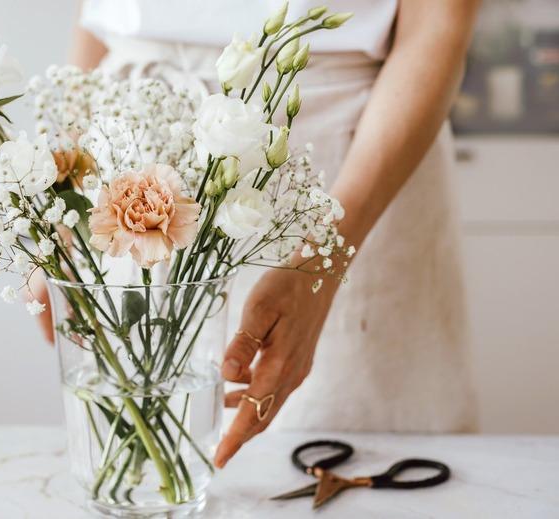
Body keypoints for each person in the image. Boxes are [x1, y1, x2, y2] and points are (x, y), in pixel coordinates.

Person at [36, 0, 481, 469]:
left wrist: (320, 259)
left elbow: (437, 22)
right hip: (128, 145)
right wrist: (57, 208)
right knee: (138, 458)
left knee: (359, 456)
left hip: (340, 161)